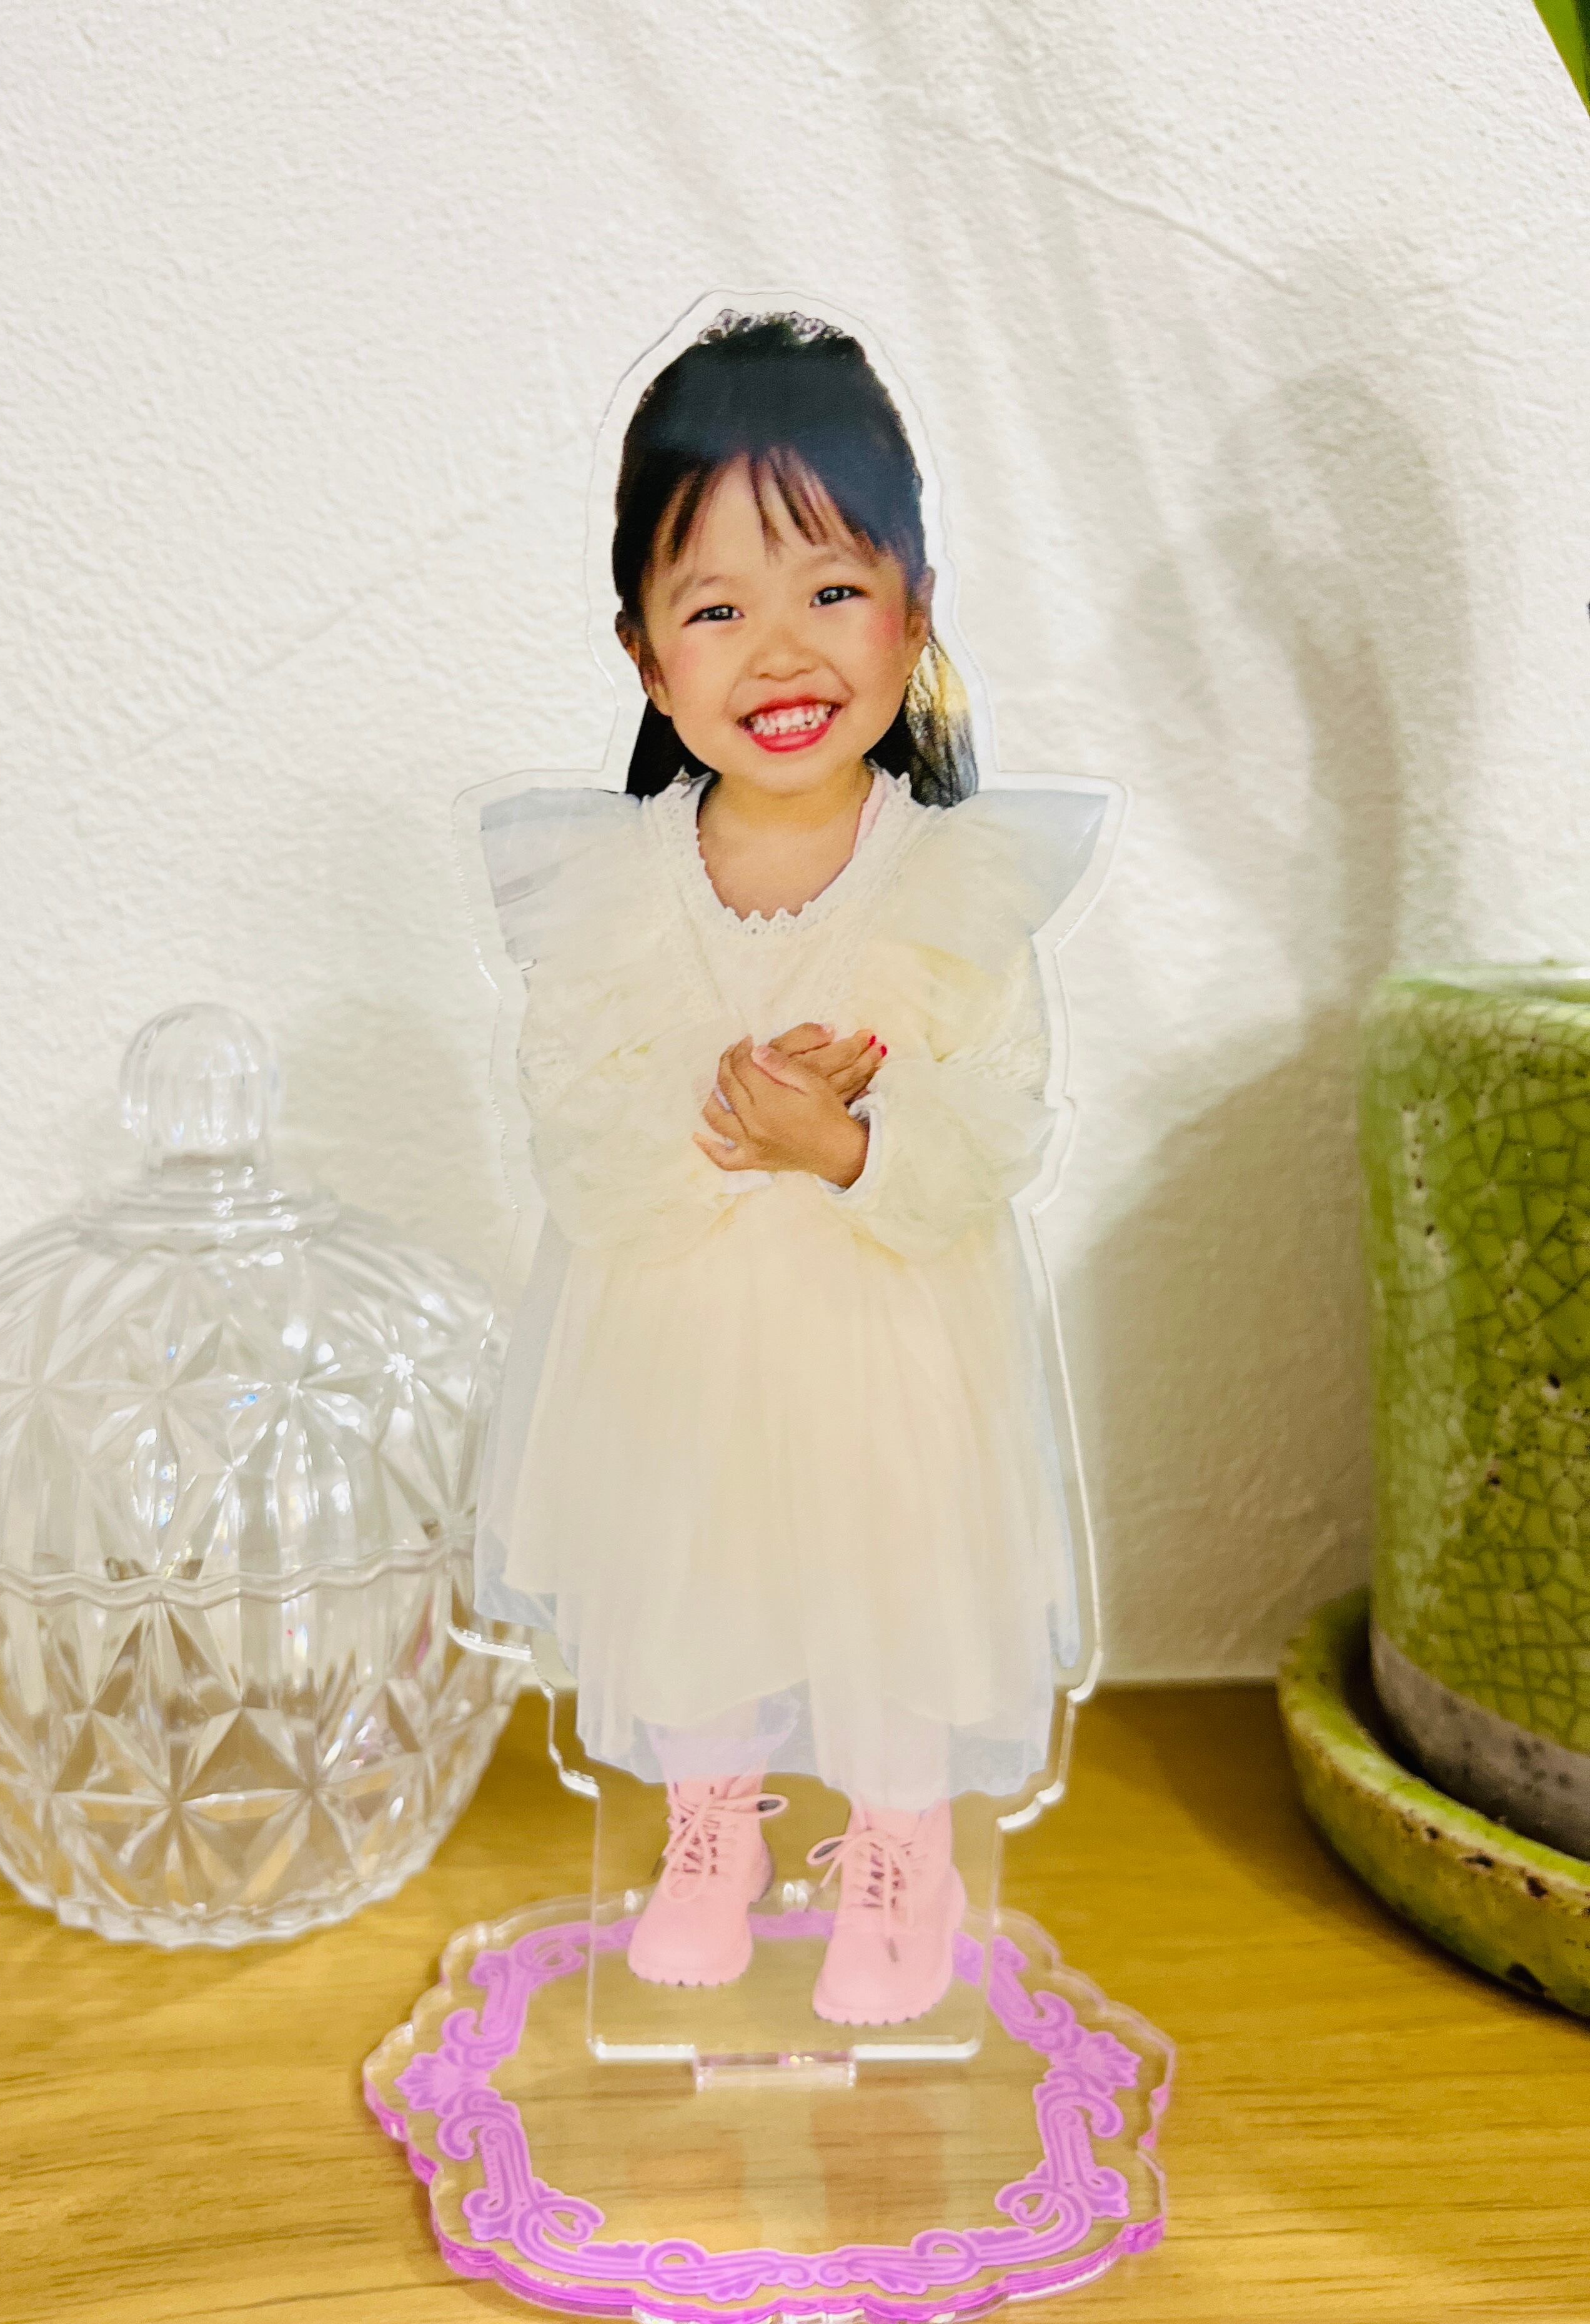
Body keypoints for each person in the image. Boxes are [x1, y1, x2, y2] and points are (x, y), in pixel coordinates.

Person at [472, 310, 1104, 2025]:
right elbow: (571, 1123)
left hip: (889, 1351)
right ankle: (710, 1832)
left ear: (915, 604)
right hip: (675, 1343)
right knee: (694, 1574)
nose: (780, 652)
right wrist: (719, 1121)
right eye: (715, 609)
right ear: (643, 654)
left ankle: (900, 1855)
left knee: (891, 1588)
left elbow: (1001, 1127)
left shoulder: (955, 888)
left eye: (830, 588)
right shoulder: (607, 892)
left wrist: (844, 1146)